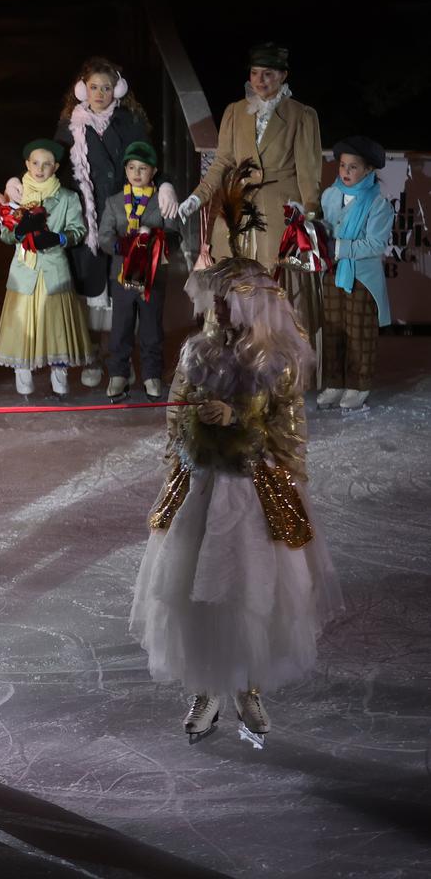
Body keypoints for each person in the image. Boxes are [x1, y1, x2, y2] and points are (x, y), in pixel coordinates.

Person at [131, 176, 342, 745]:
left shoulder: (278, 362)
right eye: (220, 303)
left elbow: (288, 429)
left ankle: (247, 686)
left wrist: (243, 423)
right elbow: (176, 415)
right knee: (193, 587)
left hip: (251, 491)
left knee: (251, 589)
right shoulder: (198, 351)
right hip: (203, 485)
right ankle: (206, 687)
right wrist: (190, 435)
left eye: (235, 303)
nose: (225, 313)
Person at [173, 43, 324, 337]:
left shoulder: (301, 115)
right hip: (238, 211)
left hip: (279, 213)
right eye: (255, 73)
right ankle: (228, 358)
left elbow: (308, 172)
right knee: (228, 287)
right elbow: (222, 162)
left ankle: (274, 363)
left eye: (268, 74)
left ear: (283, 76)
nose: (259, 80)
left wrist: (310, 212)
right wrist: (197, 196)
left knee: (274, 291)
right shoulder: (234, 111)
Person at [53, 56, 157, 387]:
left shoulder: (130, 123)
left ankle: (123, 362)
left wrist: (161, 189)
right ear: (83, 90)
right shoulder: (70, 125)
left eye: (107, 88)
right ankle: (92, 355)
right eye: (94, 87)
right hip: (85, 217)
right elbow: (52, 168)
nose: (100, 93)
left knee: (125, 291)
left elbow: (147, 162)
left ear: (118, 90)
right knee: (90, 288)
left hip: (124, 215)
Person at [0, 139, 94, 399]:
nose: (40, 168)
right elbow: (5, 234)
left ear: (56, 167)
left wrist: (58, 238)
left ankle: (59, 379)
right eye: (35, 163)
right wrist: (18, 231)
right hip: (24, 273)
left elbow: (78, 231)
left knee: (56, 326)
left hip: (54, 271)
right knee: (21, 325)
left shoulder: (68, 197)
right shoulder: (17, 196)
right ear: (27, 164)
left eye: (46, 164)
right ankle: (23, 376)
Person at [96, 141, 180, 401]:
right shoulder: (114, 202)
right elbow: (104, 237)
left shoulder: (162, 200)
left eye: (143, 168)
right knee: (120, 327)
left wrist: (154, 239)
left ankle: (152, 374)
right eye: (131, 167)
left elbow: (175, 236)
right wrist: (123, 244)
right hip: (122, 275)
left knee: (151, 328)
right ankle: (118, 373)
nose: (136, 173)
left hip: (152, 276)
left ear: (153, 172)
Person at [317, 136, 394, 411]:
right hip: (332, 274)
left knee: (358, 332)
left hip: (361, 278)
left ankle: (358, 384)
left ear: (368, 170)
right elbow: (323, 226)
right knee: (334, 329)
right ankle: (335, 382)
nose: (345, 172)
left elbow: (375, 244)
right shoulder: (330, 194)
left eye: (353, 167)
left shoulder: (378, 204)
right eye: (342, 166)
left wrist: (337, 246)